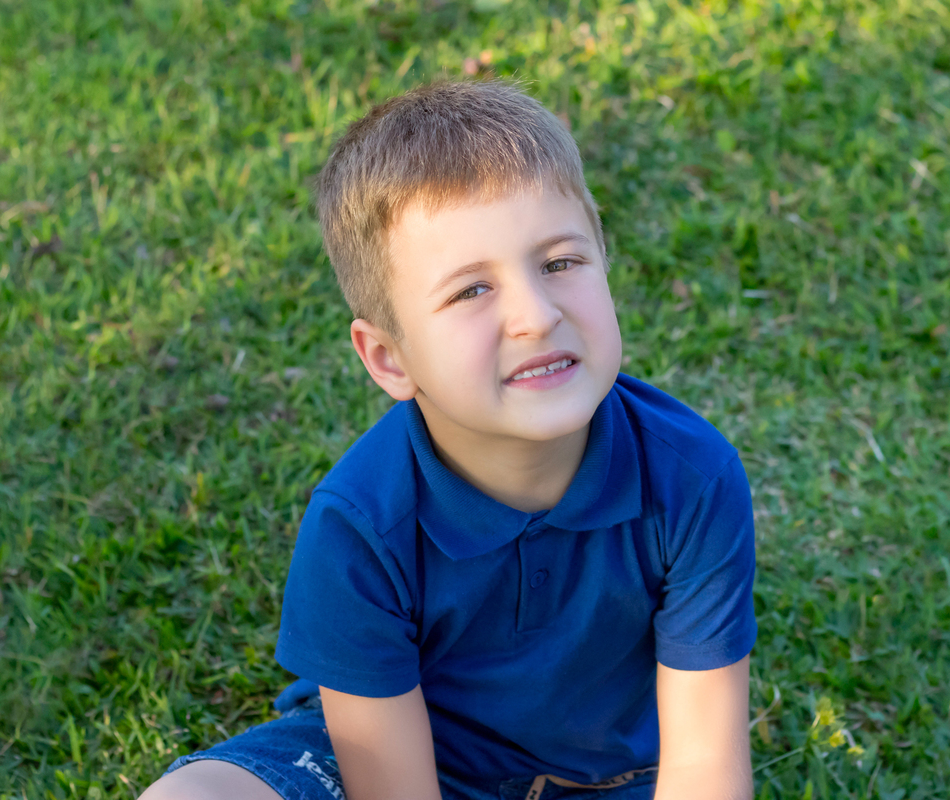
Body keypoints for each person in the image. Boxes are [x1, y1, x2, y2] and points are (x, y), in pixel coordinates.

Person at [140, 79, 757, 800]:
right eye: (471, 291)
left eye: (559, 262)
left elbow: (704, 769)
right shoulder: (360, 525)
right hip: (402, 760)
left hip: (614, 778)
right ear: (389, 359)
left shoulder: (691, 478)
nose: (536, 315)